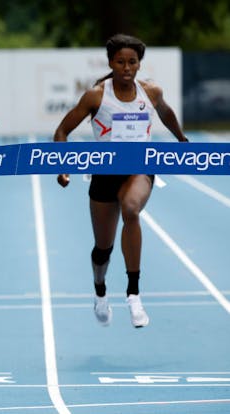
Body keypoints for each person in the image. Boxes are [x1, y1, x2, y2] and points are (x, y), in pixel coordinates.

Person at [52, 33, 188, 329]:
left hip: (139, 168)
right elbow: (62, 131)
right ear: (111, 63)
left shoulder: (150, 92)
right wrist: (62, 166)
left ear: (139, 64)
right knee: (103, 249)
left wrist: (181, 139)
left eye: (133, 62)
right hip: (104, 173)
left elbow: (165, 113)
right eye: (121, 62)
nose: (127, 68)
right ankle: (100, 290)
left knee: (131, 209)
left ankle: (134, 294)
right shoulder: (97, 96)